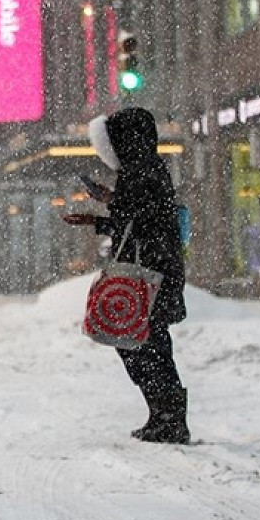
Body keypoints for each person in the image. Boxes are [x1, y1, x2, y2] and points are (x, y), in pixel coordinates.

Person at [62, 107, 190, 444]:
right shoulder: (144, 169)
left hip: (149, 274)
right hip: (153, 271)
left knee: (144, 344)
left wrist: (99, 218)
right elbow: (139, 216)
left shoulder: (142, 172)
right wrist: (108, 205)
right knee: (144, 343)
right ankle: (164, 414)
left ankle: (169, 417)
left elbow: (141, 222)